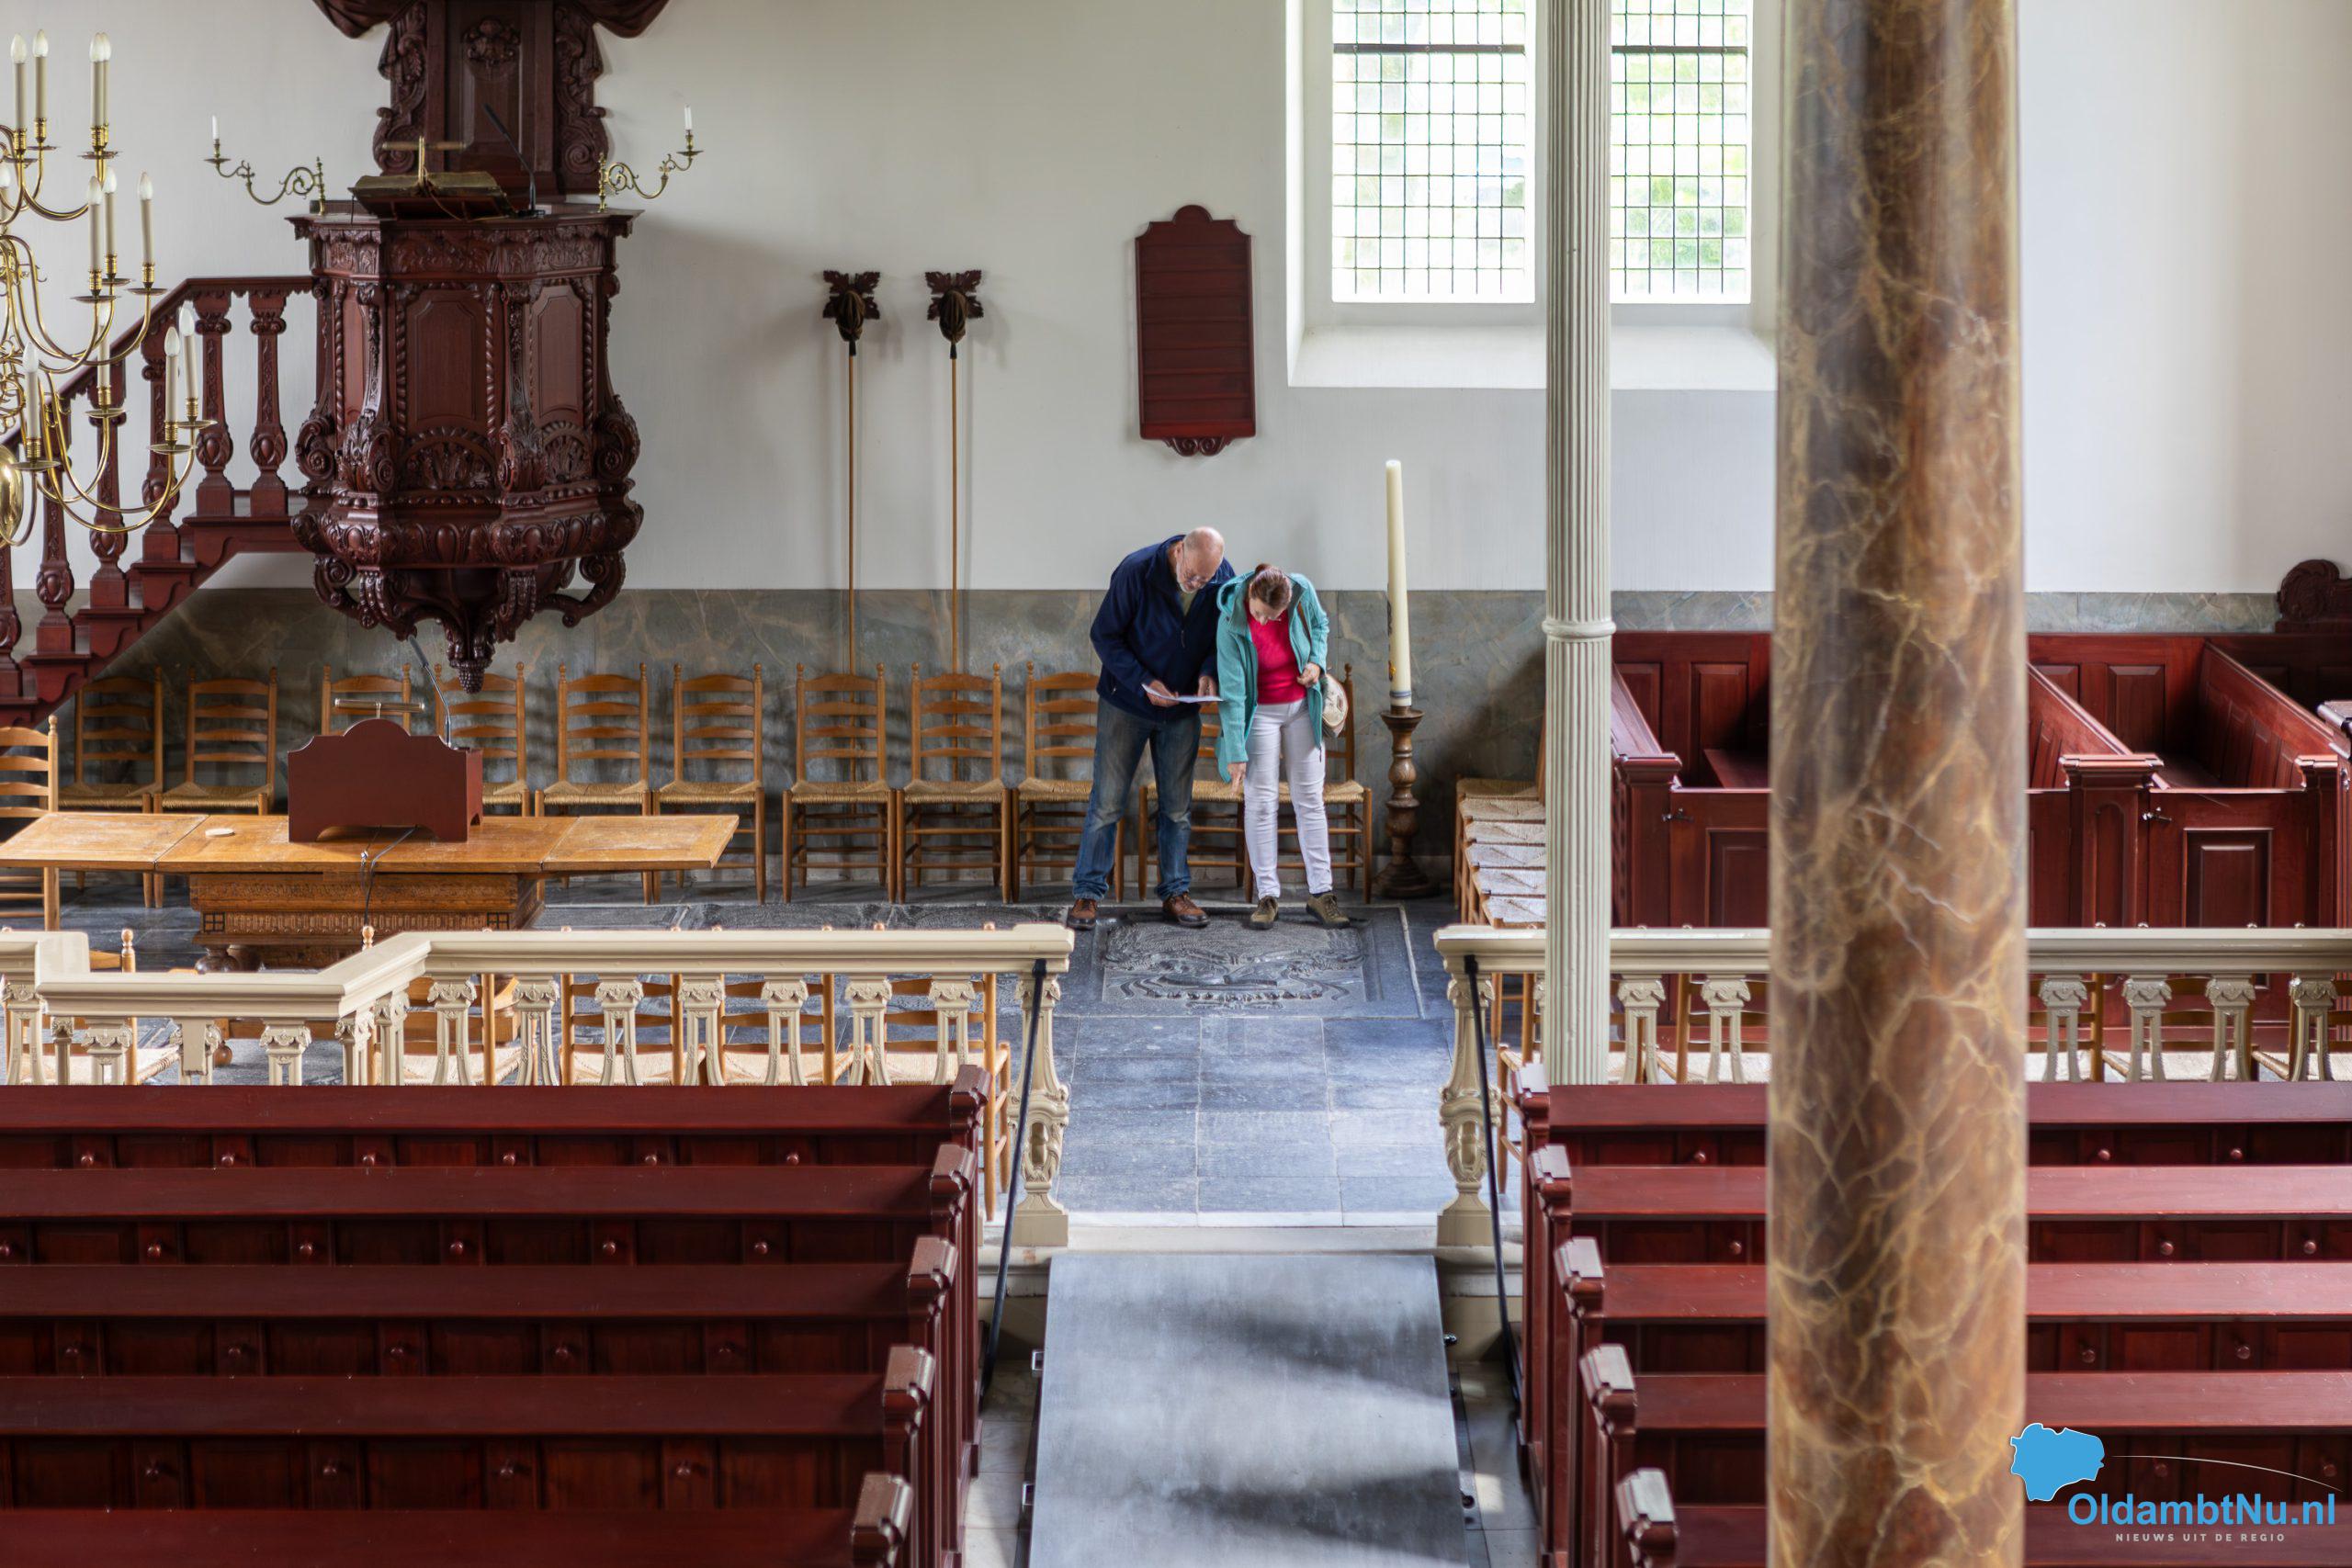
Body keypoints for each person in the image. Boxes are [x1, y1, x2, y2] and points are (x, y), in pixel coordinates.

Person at [1065, 528, 1234, 931]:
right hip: (1126, 702)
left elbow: (1224, 636)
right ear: (1179, 553)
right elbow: (1104, 635)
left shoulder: (1221, 576)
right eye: (1192, 576)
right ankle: (1087, 894)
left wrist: (1208, 671)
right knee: (1107, 803)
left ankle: (1175, 892)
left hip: (1182, 709)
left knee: (1177, 808)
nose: (1198, 584)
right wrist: (1144, 681)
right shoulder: (1136, 571)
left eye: (1205, 579)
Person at [1215, 563, 1349, 931]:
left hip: (1302, 706)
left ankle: (1321, 893)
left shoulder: (1301, 590)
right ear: (1251, 594)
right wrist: (1236, 753)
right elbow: (1231, 693)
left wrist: (1316, 662)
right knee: (1261, 802)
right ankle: (1267, 896)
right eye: (1260, 613)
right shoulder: (1229, 619)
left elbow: (1320, 625)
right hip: (1259, 713)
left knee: (1310, 800)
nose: (1265, 621)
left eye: (1274, 617)